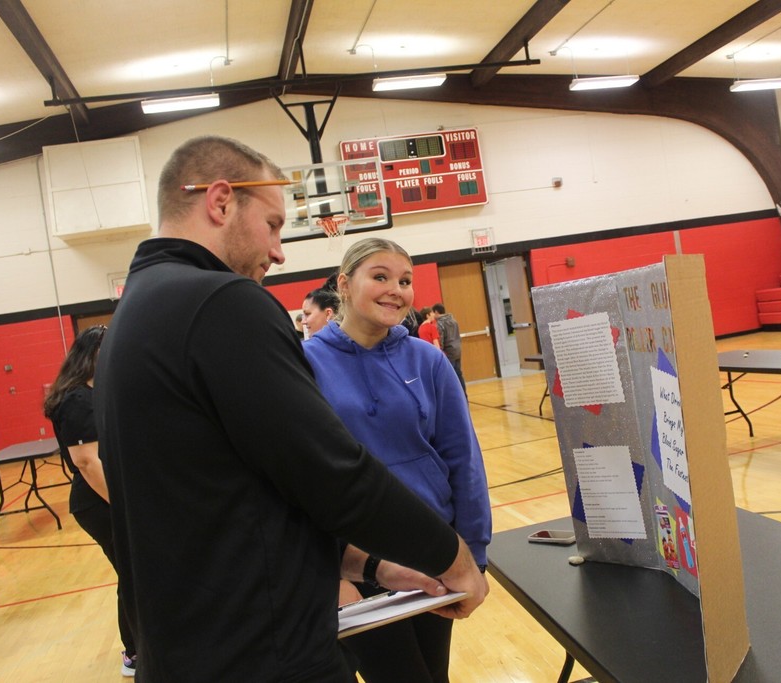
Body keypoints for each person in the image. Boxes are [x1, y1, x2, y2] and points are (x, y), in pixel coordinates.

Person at [92, 136, 487, 682]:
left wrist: (370, 564)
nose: (280, 251)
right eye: (274, 225)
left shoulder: (135, 312)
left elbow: (250, 502)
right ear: (222, 201)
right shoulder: (221, 301)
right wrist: (456, 557)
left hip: (192, 645)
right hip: (259, 653)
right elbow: (330, 474)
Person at [302, 238, 491, 683]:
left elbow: (463, 458)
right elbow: (298, 475)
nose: (396, 290)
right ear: (345, 285)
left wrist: (473, 556)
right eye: (380, 277)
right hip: (356, 559)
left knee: (433, 675)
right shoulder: (304, 364)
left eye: (405, 280)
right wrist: (329, 571)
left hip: (431, 553)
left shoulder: (427, 360)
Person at [42, 325, 138, 677]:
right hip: (97, 501)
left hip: (110, 495)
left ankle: (140, 647)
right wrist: (122, 505)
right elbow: (86, 462)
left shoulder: (97, 392)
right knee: (132, 574)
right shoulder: (75, 399)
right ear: (91, 355)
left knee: (133, 573)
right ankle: (136, 652)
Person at [432, 303, 467, 395]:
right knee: (459, 373)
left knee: (450, 376)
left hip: (449, 350)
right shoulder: (453, 321)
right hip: (457, 349)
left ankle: (454, 396)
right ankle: (464, 395)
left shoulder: (440, 323)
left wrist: (441, 350)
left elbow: (441, 338)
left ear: (436, 312)